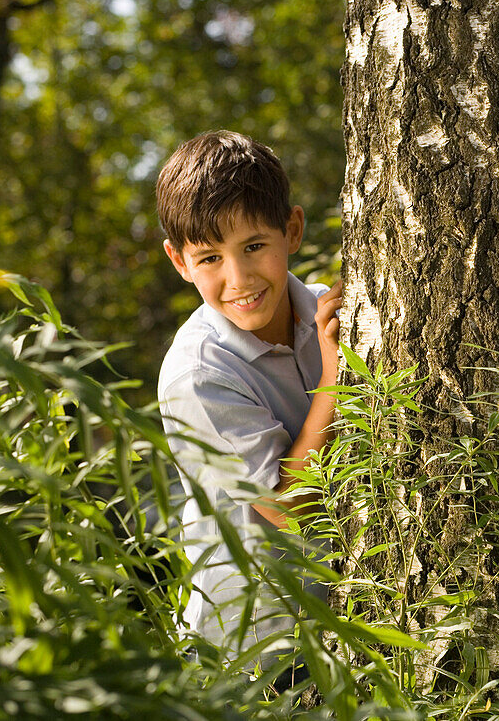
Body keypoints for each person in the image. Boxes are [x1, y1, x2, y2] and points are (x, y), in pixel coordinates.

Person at [155, 130, 342, 676]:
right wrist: (335, 378)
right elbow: (287, 509)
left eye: (254, 246)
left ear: (293, 230)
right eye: (210, 258)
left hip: (340, 622)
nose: (238, 279)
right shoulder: (197, 375)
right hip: (251, 649)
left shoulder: (330, 317)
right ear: (179, 261)